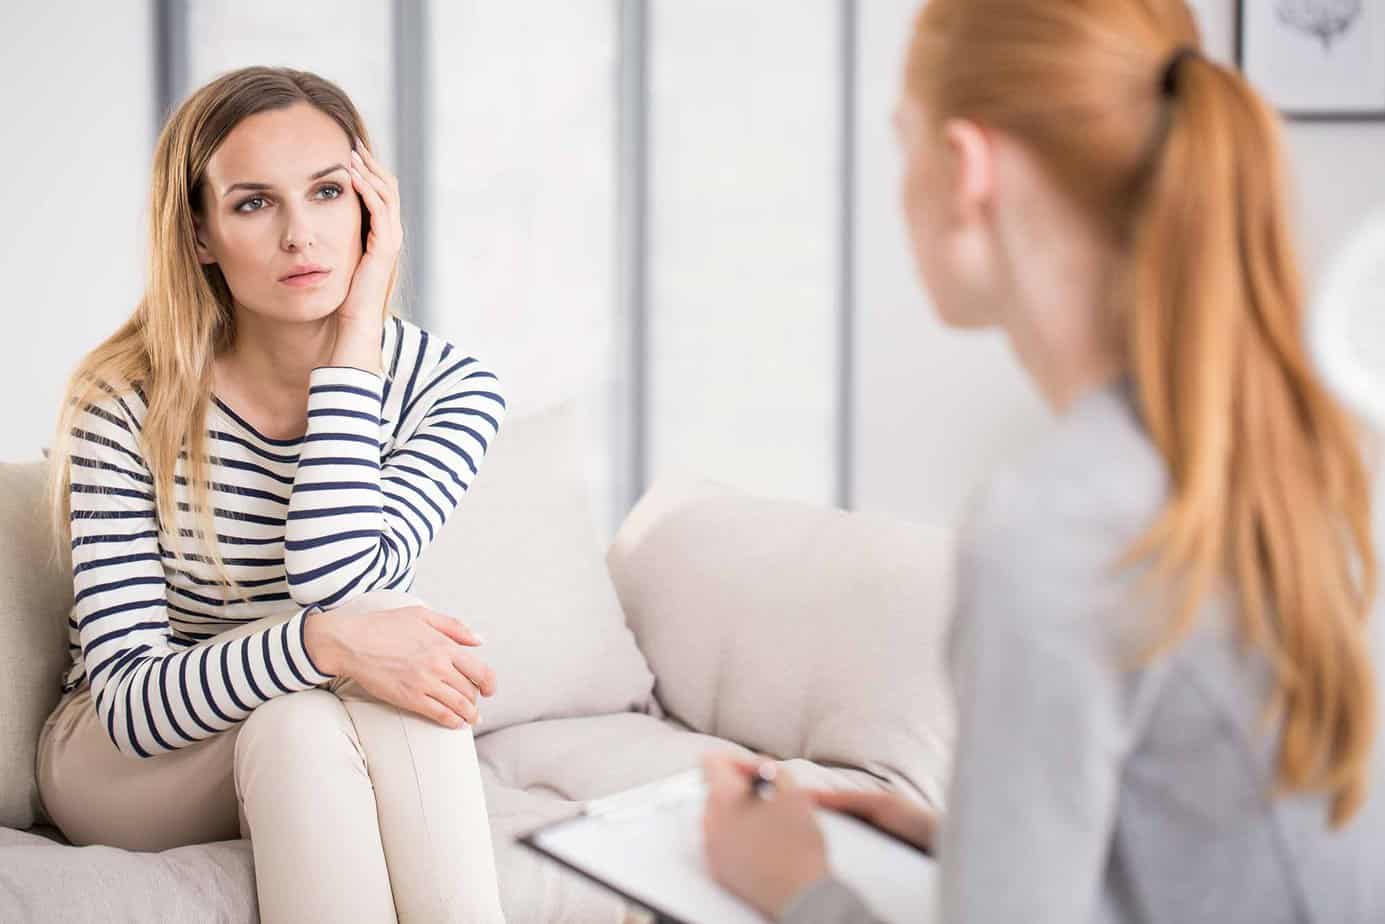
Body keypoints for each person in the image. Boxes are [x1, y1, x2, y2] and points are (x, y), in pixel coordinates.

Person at [701, 1, 1385, 921]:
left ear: (968, 167)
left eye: (903, 141)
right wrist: (970, 842)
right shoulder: (1264, 450)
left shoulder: (1054, 524)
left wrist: (792, 886)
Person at [37, 66, 508, 923]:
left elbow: (343, 585)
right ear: (202, 234)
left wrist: (354, 343)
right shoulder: (124, 401)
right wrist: (324, 646)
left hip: (308, 726)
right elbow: (135, 703)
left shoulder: (452, 390)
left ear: (373, 208)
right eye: (254, 203)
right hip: (130, 759)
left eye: (328, 191)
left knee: (308, 723)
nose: (302, 235)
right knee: (330, 698)